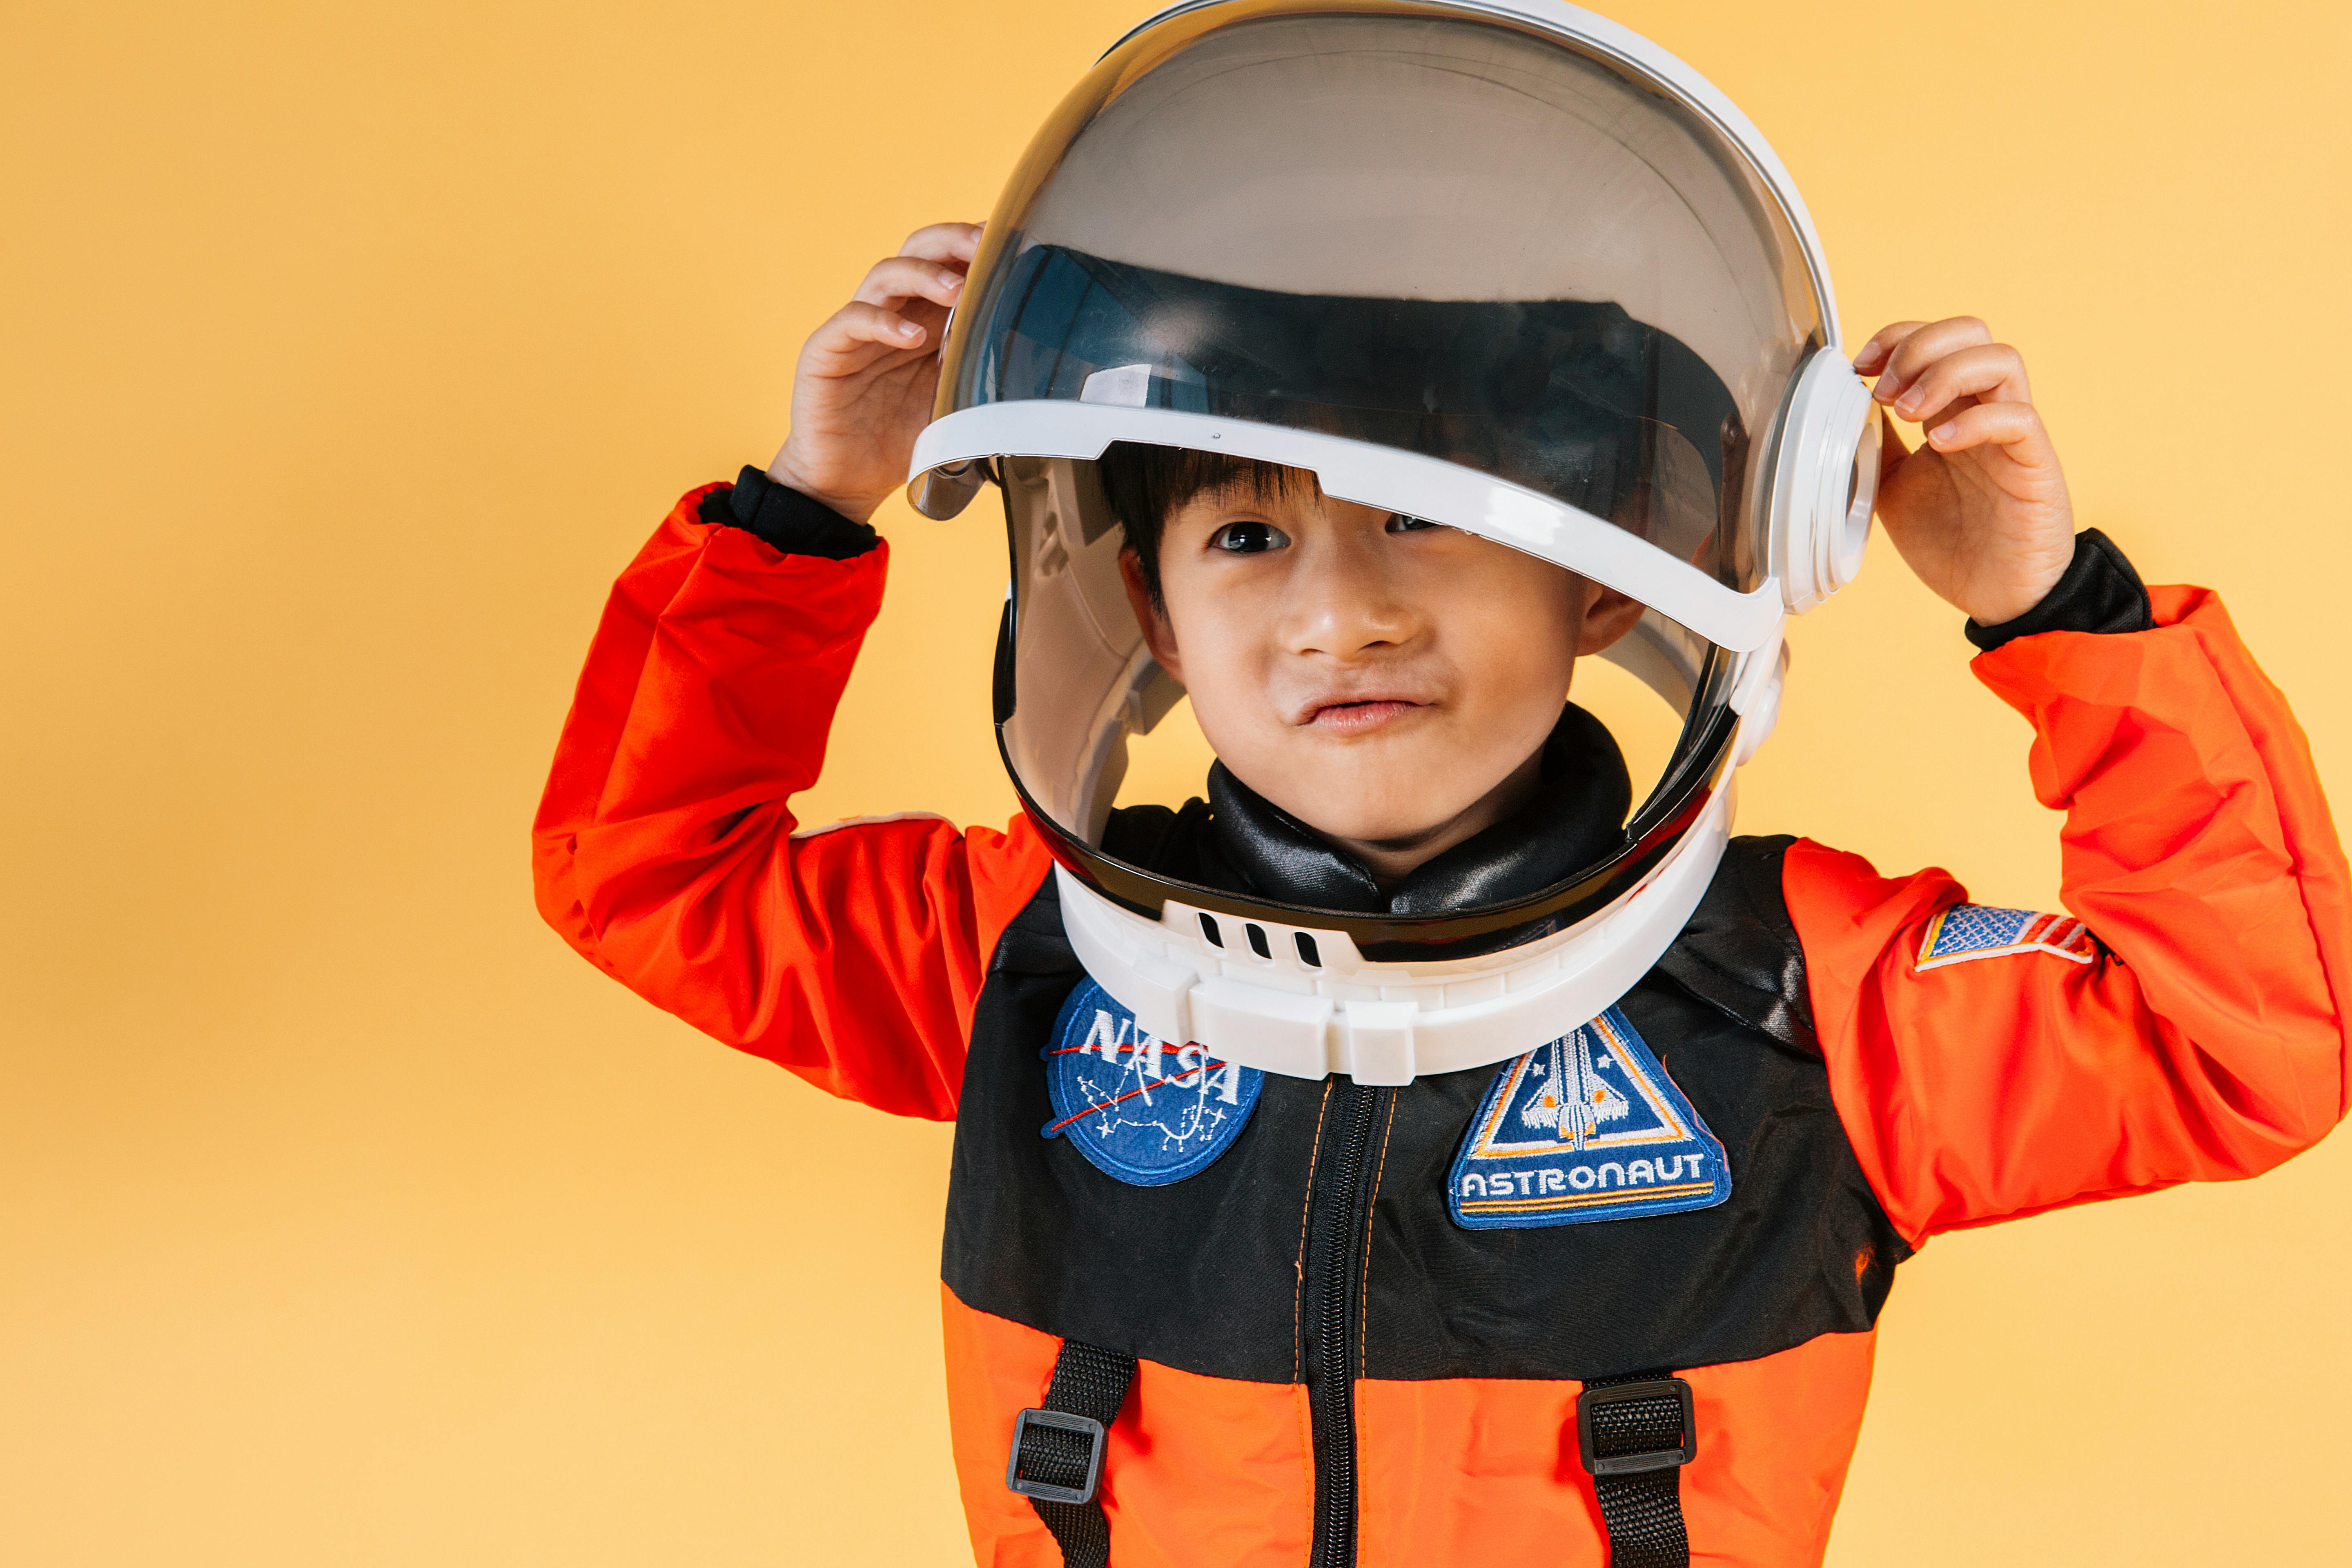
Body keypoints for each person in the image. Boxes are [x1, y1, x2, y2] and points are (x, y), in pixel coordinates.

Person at [531, 5, 2348, 1564]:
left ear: (1606, 578)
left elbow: (2246, 1038)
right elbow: (649, 870)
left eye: (1430, 517)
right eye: (1249, 534)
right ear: (1143, 606)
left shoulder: (1804, 1003)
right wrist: (798, 510)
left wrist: (2055, 609)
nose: (1343, 611)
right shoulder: (1030, 961)